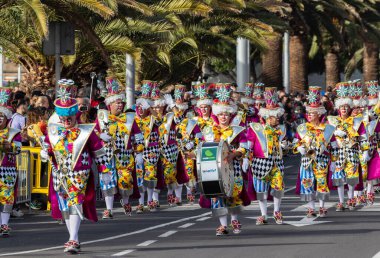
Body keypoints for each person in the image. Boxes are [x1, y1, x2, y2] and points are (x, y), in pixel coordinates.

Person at [40, 79, 106, 253]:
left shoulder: (86, 131)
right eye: (63, 117)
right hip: (59, 173)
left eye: (68, 117)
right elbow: (47, 148)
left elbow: (99, 152)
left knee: (75, 201)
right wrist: (45, 153)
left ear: (74, 115)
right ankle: (73, 237)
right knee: (64, 204)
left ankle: (73, 239)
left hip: (79, 172)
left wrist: (104, 171)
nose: (65, 120)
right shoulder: (54, 131)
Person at [200, 83, 249, 236]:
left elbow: (244, 147)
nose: (223, 117)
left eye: (226, 114)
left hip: (232, 166)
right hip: (214, 168)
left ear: (230, 115)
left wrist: (233, 155)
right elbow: (202, 148)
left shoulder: (237, 129)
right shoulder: (208, 130)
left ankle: (234, 220)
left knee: (233, 193)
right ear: (217, 115)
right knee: (216, 194)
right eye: (221, 114)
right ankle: (223, 225)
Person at [96, 77, 143, 218]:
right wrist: (100, 136)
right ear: (110, 104)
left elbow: (139, 136)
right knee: (107, 180)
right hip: (106, 155)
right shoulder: (101, 117)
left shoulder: (129, 118)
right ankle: (109, 209)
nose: (120, 105)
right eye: (117, 103)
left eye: (121, 103)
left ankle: (126, 201)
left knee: (126, 180)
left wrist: (139, 152)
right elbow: (93, 132)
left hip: (125, 155)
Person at [293, 86, 337, 217]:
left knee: (322, 182)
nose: (309, 115)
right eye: (309, 113)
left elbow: (334, 146)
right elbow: (296, 143)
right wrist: (298, 148)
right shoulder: (302, 128)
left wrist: (334, 162)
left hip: (322, 160)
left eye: (312, 113)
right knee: (307, 182)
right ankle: (311, 208)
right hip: (307, 160)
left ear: (319, 114)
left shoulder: (327, 128)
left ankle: (322, 207)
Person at [327, 82, 370, 211]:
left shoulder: (357, 121)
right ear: (338, 108)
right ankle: (341, 201)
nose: (344, 109)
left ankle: (351, 198)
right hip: (338, 153)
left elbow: (363, 136)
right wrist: (334, 132)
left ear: (349, 107)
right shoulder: (332, 121)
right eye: (342, 107)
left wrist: (365, 151)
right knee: (339, 178)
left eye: (346, 107)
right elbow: (324, 136)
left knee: (352, 178)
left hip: (352, 151)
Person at [247, 87, 286, 225]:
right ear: (266, 117)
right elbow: (249, 144)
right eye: (274, 116)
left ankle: (276, 211)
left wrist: (286, 146)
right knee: (261, 191)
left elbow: (284, 146)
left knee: (278, 188)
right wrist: (246, 158)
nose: (276, 119)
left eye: (277, 116)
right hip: (260, 162)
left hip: (277, 162)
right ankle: (263, 215)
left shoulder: (282, 129)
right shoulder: (255, 128)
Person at [0, 87, 22, 237]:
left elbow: (19, 149)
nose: (0, 118)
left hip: (7, 169)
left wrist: (10, 146)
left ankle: (4, 224)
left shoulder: (13, 133)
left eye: (2, 116)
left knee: (7, 197)